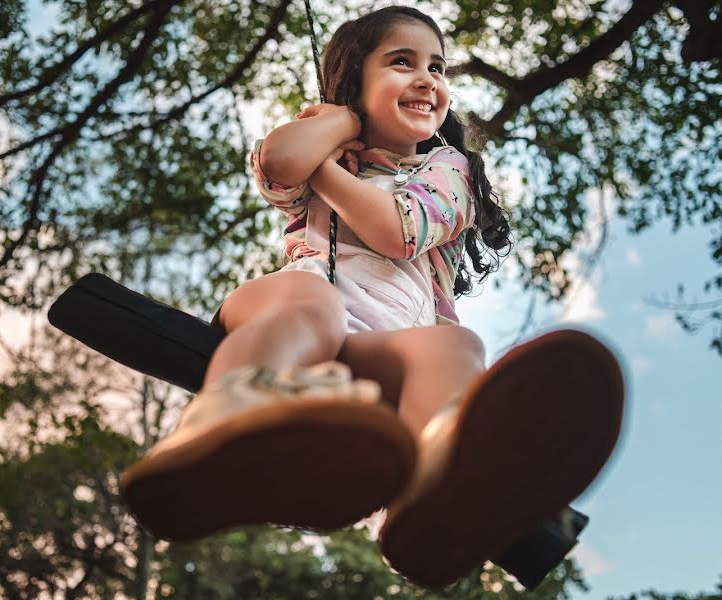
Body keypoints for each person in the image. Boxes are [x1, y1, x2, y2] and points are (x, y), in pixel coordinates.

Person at [122, 6, 624, 587]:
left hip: (378, 346)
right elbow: (281, 161)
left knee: (453, 346)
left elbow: (397, 230)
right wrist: (340, 123)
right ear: (355, 80)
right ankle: (234, 412)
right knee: (314, 307)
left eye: (437, 67)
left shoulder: (449, 169)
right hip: (294, 313)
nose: (426, 78)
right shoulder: (327, 137)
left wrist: (327, 174)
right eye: (401, 61)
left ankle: (436, 491)